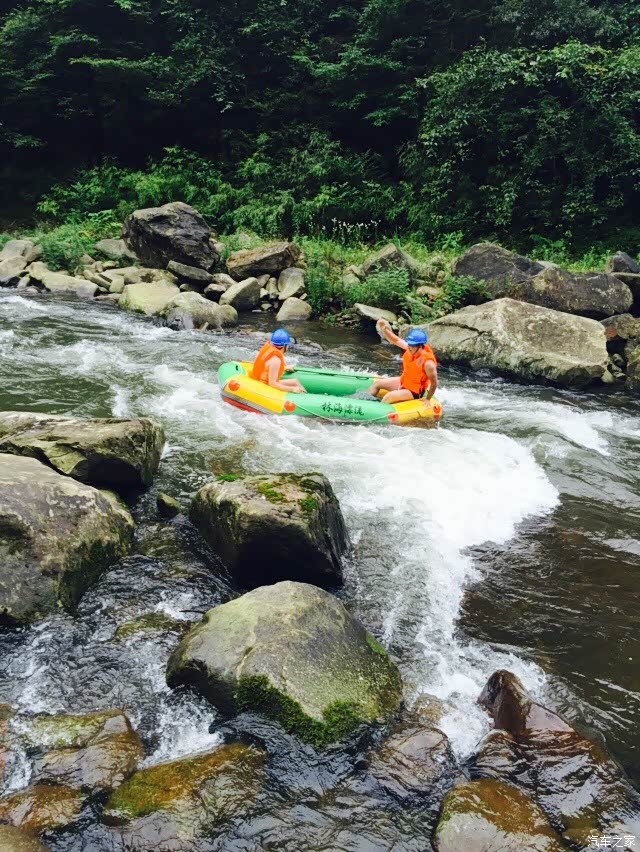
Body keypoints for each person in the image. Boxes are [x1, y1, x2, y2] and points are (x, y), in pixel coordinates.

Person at [367, 320, 438, 403]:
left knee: (388, 396)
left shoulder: (428, 363)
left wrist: (427, 399)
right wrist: (384, 330)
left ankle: (378, 410)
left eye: (412, 345)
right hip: (404, 382)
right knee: (377, 384)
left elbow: (434, 382)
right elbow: (395, 340)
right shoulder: (410, 348)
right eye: (409, 344)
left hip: (415, 391)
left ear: (420, 346)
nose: (409, 347)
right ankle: (366, 404)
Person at [251, 329, 306, 393]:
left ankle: (304, 395)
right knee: (295, 385)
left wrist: (284, 368)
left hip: (260, 380)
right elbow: (272, 384)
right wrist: (292, 389)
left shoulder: (269, 351)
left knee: (295, 381)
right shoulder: (276, 360)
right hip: (264, 386)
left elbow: (267, 368)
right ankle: (305, 397)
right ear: (285, 346)